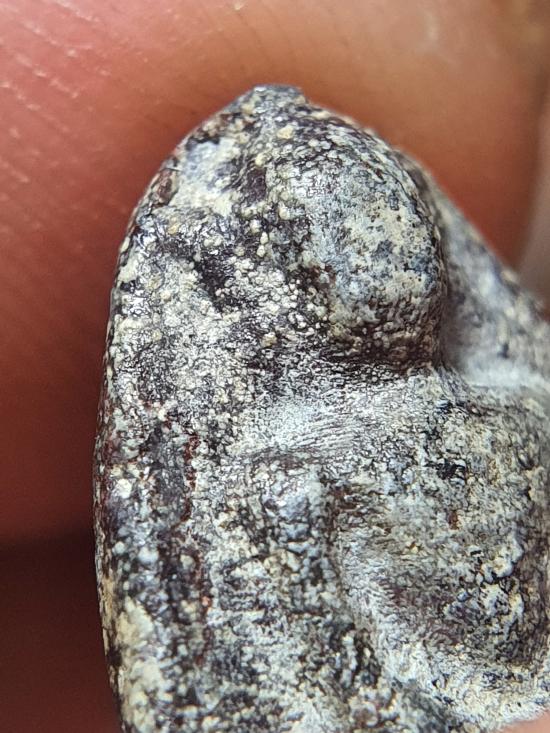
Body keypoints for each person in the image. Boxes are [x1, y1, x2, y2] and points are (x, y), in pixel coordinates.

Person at [1, 1, 549, 731]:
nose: (384, 272)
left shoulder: (517, 399)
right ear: (296, 272)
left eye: (394, 231)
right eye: (342, 243)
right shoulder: (284, 481)